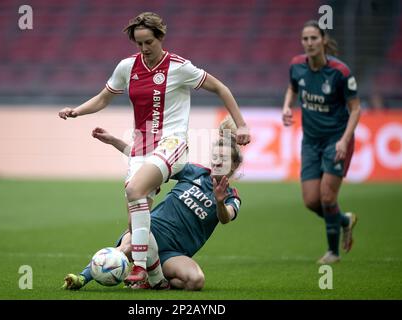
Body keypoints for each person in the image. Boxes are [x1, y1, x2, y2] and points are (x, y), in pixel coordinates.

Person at [58, 12, 250, 285]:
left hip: (172, 143)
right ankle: (154, 279)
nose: (144, 48)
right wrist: (77, 112)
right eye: (139, 43)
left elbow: (220, 87)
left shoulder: (179, 67)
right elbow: (103, 98)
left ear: (160, 38)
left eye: (149, 42)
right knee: (135, 225)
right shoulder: (127, 67)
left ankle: (137, 267)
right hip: (141, 148)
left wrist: (241, 125)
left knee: (134, 190)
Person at [63, 119, 243, 290]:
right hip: (151, 230)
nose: (218, 161)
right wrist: (114, 142)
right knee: (124, 249)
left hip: (174, 252)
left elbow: (225, 218)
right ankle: (81, 278)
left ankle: (152, 279)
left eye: (224, 159)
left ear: (234, 165)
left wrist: (219, 202)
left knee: (195, 281)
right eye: (215, 157)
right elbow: (151, 163)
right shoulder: (194, 172)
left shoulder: (231, 196)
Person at [282, 20, 361, 264]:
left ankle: (332, 253)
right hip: (311, 142)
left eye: (314, 38)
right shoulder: (297, 66)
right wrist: (287, 106)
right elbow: (292, 88)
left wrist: (344, 141)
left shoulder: (340, 72)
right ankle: (345, 220)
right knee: (311, 201)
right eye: (305, 39)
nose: (309, 43)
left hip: (336, 141)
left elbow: (356, 109)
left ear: (323, 40)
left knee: (327, 198)